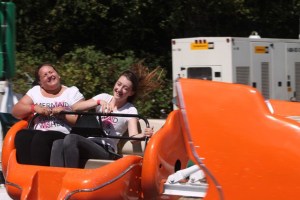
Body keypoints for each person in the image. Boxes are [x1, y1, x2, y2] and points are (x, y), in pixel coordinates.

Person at [50, 63, 163, 168]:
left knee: (71, 138)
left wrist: (143, 134)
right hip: (90, 142)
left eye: (125, 88)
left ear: (131, 93)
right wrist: (98, 102)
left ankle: (71, 178)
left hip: (106, 149)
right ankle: (56, 180)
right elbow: (76, 108)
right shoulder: (104, 97)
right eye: (118, 84)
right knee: (58, 143)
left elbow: (133, 138)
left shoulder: (130, 109)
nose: (119, 89)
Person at [12, 63, 84, 165]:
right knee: (22, 135)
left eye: (51, 72)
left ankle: (42, 174)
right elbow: (16, 111)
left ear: (58, 75)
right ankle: (26, 173)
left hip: (64, 134)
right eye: (45, 75)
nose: (49, 76)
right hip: (38, 133)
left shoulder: (72, 92)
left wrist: (63, 114)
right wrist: (34, 107)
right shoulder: (35, 91)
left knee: (41, 138)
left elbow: (82, 121)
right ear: (40, 82)